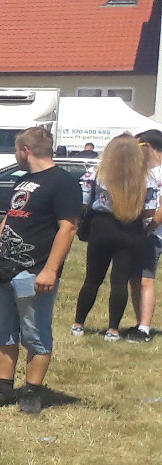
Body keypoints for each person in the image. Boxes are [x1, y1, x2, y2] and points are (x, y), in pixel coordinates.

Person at [0, 126, 82, 415]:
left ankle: (32, 391)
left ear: (25, 150)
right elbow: (9, 220)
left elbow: (68, 228)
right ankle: (3, 388)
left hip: (33, 271)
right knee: (1, 331)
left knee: (35, 333)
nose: (16, 155)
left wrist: (50, 270)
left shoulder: (63, 182)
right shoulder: (22, 181)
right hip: (2, 269)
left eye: (16, 150)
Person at [70, 135, 160, 342]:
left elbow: (83, 201)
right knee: (119, 281)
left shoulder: (97, 172)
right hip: (131, 228)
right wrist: (145, 229)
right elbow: (149, 211)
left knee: (93, 278)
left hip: (101, 226)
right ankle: (113, 330)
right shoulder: (147, 178)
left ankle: (79, 324)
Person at [135, 130, 162, 338]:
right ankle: (139, 324)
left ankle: (144, 328)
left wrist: (149, 228)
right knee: (137, 278)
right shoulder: (146, 172)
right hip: (147, 231)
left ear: (148, 146)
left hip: (154, 233)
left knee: (146, 279)